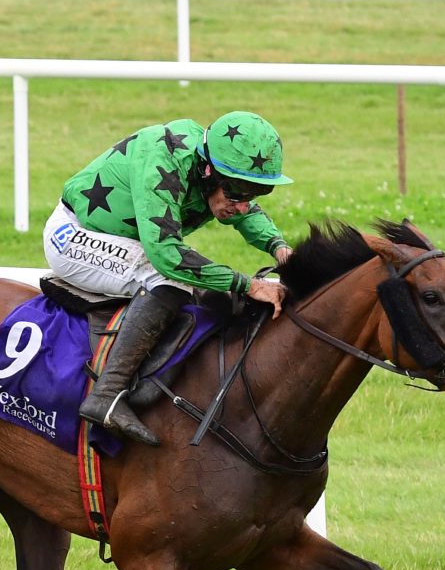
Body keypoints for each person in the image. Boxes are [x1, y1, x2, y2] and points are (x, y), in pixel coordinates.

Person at [45, 110, 296, 446]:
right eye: (237, 193)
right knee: (171, 280)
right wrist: (248, 285)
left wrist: (281, 249)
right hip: (74, 237)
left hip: (123, 240)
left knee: (200, 288)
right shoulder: (163, 161)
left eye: (252, 194)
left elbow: (245, 213)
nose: (242, 205)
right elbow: (167, 256)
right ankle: (106, 394)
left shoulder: (213, 170)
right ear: (209, 171)